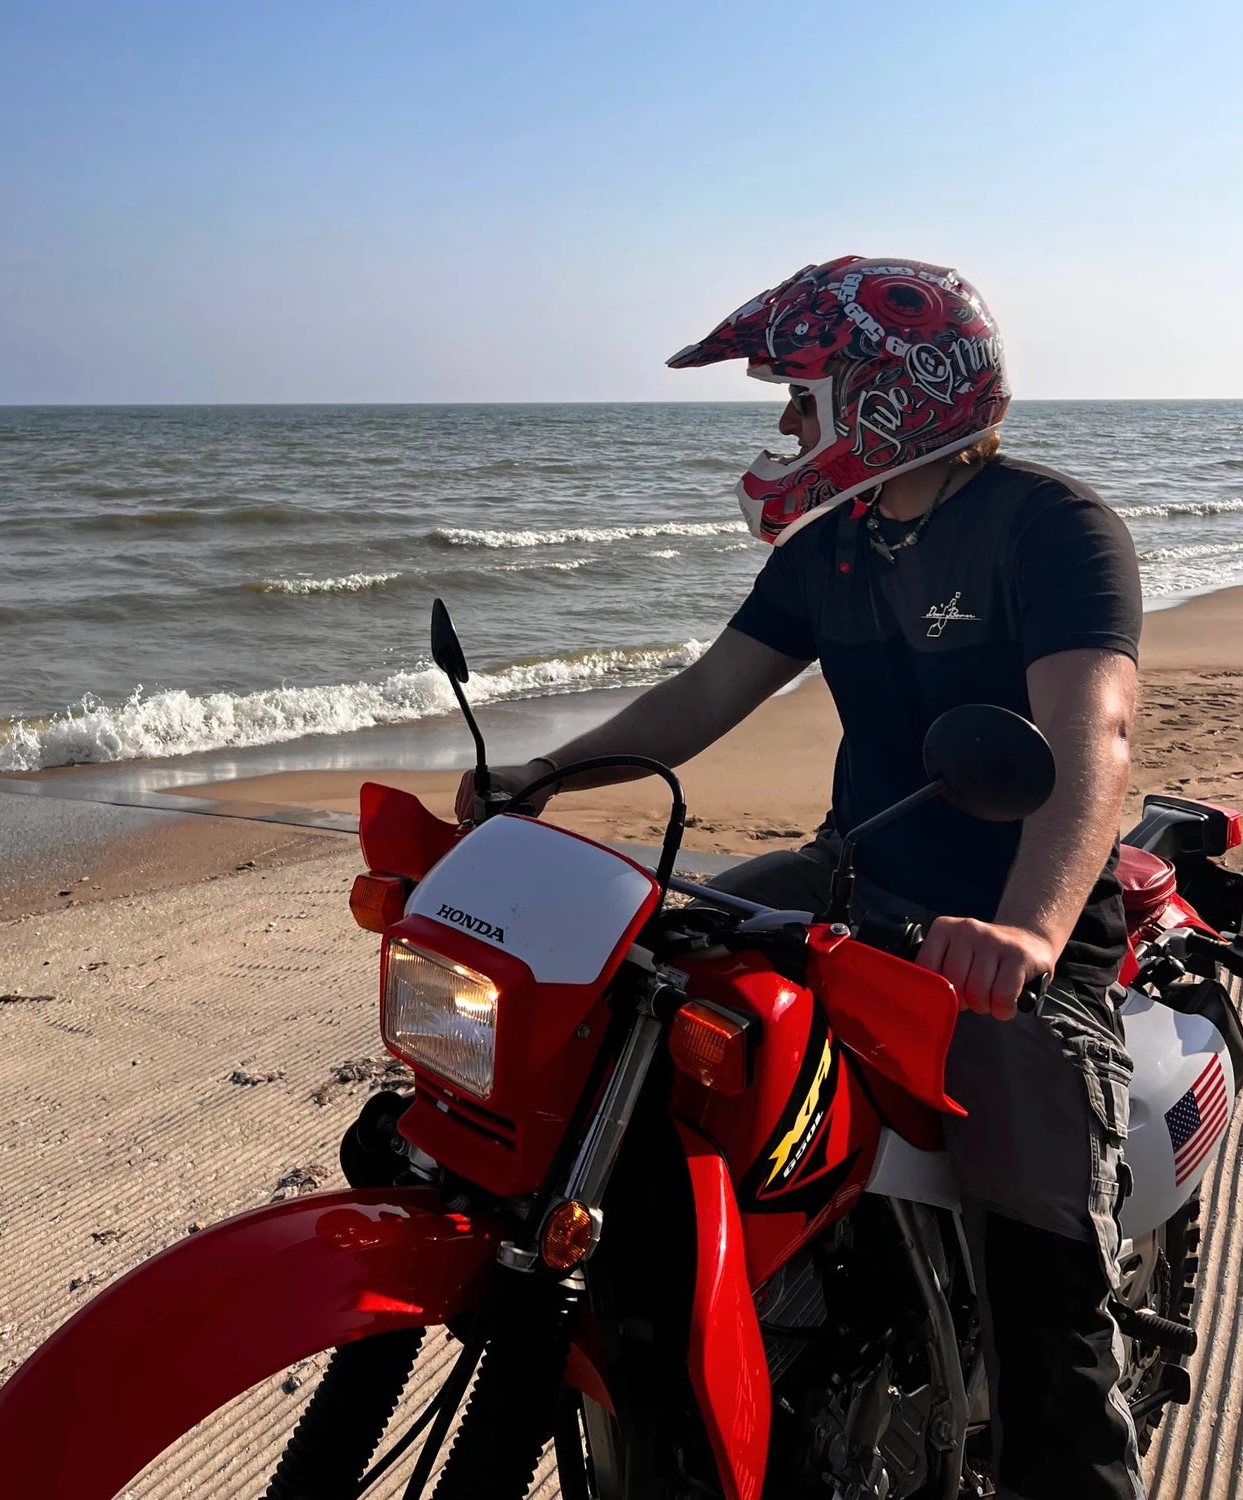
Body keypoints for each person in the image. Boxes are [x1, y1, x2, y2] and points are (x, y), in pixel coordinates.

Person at [455, 257, 1145, 1500]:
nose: (782, 421)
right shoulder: (833, 551)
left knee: (1047, 1284)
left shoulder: (1051, 529)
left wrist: (1029, 932)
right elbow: (710, 693)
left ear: (892, 394)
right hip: (851, 881)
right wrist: (542, 776)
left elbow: (1091, 732)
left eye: (801, 391)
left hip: (995, 940)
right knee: (647, 975)